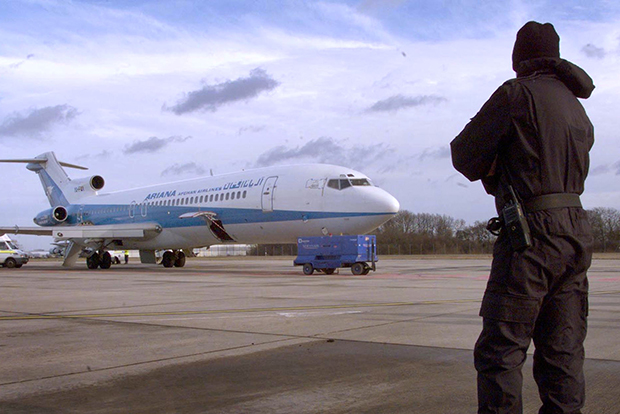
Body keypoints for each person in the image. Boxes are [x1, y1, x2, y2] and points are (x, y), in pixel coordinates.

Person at [450, 21, 595, 414]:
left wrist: (495, 167)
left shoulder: (517, 94)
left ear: (520, 59)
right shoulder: (575, 107)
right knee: (562, 353)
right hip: (577, 234)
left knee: (501, 351)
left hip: (532, 237)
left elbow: (464, 153)